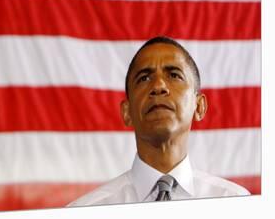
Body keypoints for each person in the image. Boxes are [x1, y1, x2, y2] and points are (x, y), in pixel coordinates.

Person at [67, 36, 250, 206]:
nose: (159, 86)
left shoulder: (236, 204)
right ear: (126, 112)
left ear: (199, 106)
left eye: (174, 75)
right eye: (144, 78)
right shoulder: (84, 213)